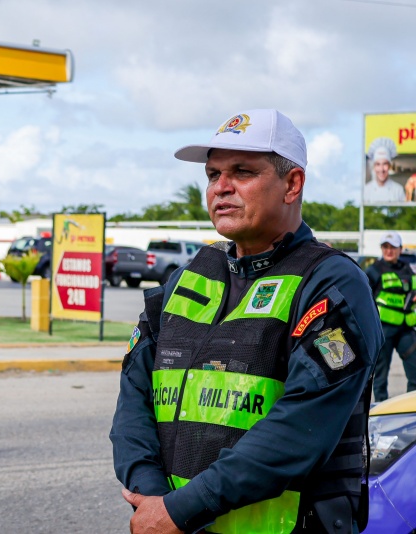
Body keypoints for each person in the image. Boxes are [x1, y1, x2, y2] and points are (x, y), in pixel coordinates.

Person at [110, 109, 383, 533]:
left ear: (292, 184)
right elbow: (133, 399)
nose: (221, 187)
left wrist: (180, 511)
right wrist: (152, 497)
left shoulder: (331, 282)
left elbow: (300, 430)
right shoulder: (186, 277)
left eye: (242, 171)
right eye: (213, 173)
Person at [364, 231, 416, 401]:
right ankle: (382, 414)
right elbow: (362, 298)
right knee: (380, 378)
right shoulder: (373, 270)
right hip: (383, 331)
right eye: (385, 247)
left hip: (406, 330)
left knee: (414, 372)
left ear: (400, 249)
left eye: (393, 247)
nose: (389, 251)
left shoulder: (408, 269)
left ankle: (410, 413)